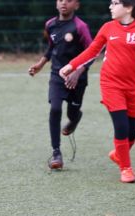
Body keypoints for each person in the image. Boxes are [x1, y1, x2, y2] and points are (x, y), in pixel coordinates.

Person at [59, 0, 135, 183]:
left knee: (134, 130)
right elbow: (92, 51)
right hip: (110, 84)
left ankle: (118, 154)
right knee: (121, 126)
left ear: (128, 7)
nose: (110, 7)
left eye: (115, 3)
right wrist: (71, 65)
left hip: (133, 87)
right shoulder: (107, 28)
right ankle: (126, 168)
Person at [28, 0, 92, 169]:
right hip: (57, 75)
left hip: (77, 78)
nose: (64, 3)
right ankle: (56, 152)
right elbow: (52, 47)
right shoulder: (50, 25)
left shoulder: (80, 27)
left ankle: (75, 117)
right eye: (60, 0)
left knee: (72, 112)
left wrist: (78, 73)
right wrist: (40, 64)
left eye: (68, 0)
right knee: (55, 109)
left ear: (76, 5)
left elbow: (92, 53)